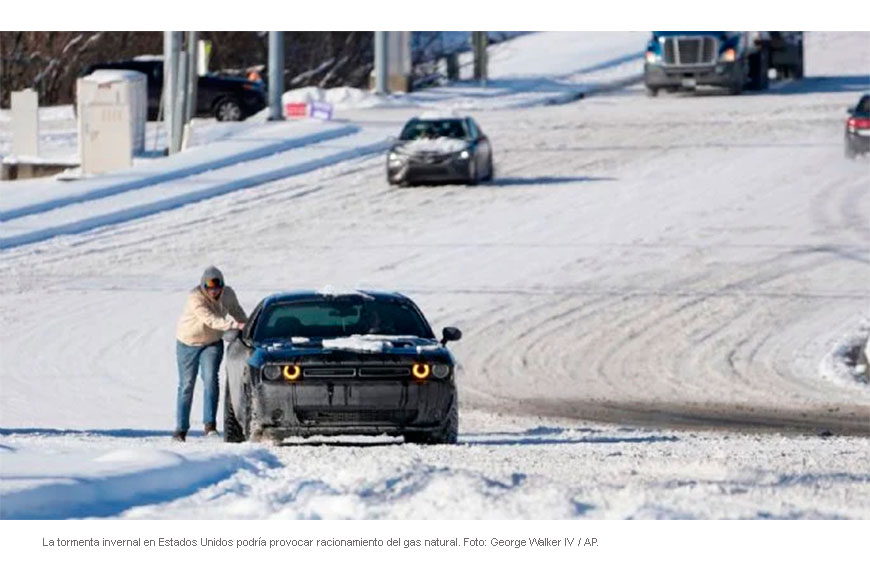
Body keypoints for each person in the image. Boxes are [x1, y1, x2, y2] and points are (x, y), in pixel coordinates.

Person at [173, 266, 247, 442]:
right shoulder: (195, 297)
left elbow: (236, 311)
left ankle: (210, 425)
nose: (214, 291)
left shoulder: (228, 294)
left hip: (212, 343)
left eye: (217, 287)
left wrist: (246, 325)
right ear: (203, 287)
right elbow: (210, 319)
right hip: (188, 343)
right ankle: (181, 429)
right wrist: (233, 326)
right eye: (209, 287)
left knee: (211, 379)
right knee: (186, 384)